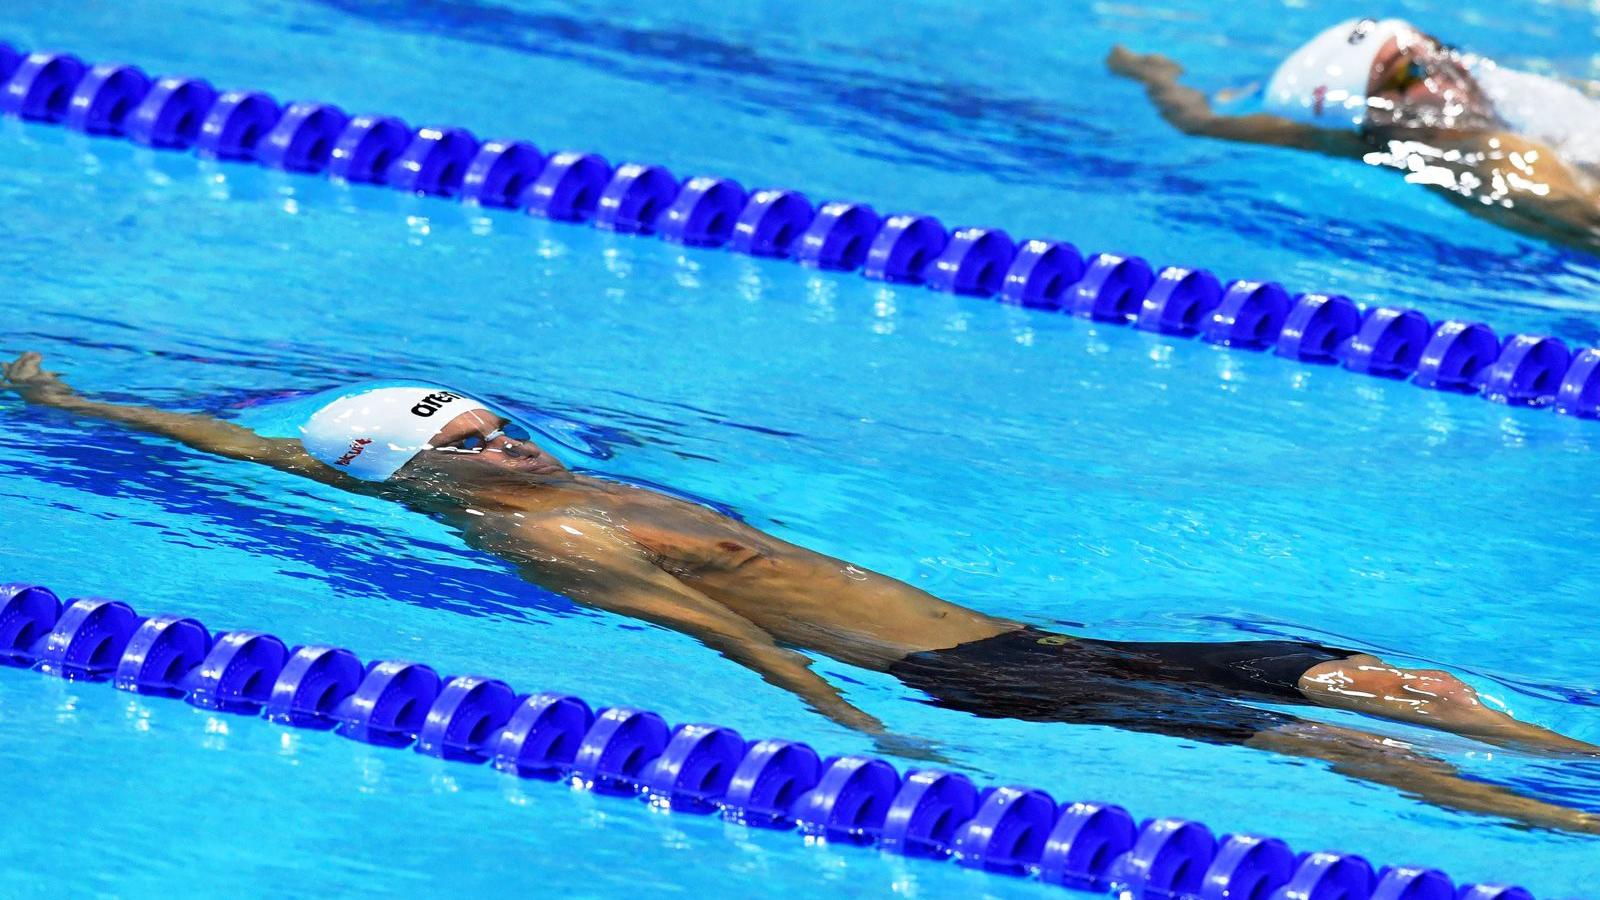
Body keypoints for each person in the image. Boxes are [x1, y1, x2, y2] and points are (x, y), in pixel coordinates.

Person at [4, 351, 1597, 833]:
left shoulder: (505, 471)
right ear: (431, 484)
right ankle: (1564, 833)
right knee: (1339, 748)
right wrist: (857, 725)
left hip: (1027, 631)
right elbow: (718, 627)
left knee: (1362, 668)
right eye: (478, 444)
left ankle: (1577, 765)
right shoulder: (544, 539)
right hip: (975, 676)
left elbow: (256, 445)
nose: (515, 439)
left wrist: (79, 407)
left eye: (498, 416)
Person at [1107, 18, 1600, 255]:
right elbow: (1205, 123)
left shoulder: (1492, 144)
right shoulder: (1496, 161)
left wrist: (1156, 78)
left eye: (1434, 52)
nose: (1444, 73)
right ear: (1381, 116)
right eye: (1409, 72)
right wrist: (1151, 77)